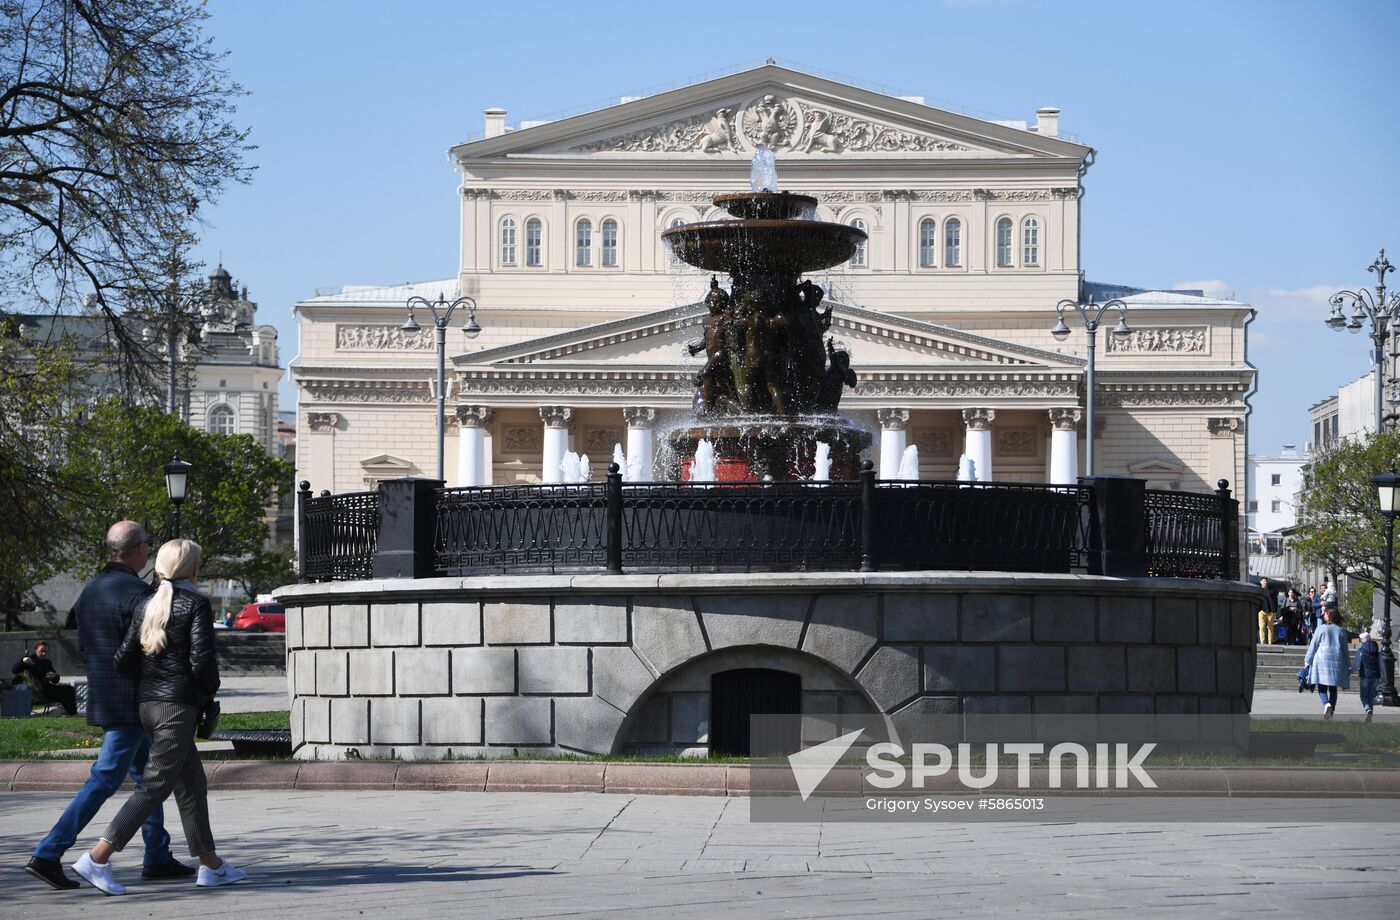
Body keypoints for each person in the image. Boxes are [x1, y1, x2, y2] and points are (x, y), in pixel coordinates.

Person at [25, 522, 193, 890]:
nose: (148, 550)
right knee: (105, 778)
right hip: (134, 702)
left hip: (105, 695)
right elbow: (150, 648)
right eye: (147, 544)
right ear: (137, 551)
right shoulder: (137, 592)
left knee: (149, 779)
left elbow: (84, 646)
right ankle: (48, 853)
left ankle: (158, 856)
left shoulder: (90, 590)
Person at [72, 539, 245, 895]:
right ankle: (97, 857)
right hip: (176, 709)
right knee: (154, 786)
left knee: (192, 783)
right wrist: (208, 692)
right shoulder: (195, 603)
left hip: (149, 707)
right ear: (193, 569)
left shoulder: (148, 603)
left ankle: (211, 865)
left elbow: (123, 660)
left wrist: (154, 676)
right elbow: (202, 661)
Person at [1303, 605, 1352, 719]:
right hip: (1337, 660)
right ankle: (1332, 711)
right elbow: (1345, 650)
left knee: (1322, 687)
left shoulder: (1321, 629)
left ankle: (1327, 704)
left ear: (1329, 615)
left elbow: (1313, 646)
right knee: (1333, 688)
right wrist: (1348, 665)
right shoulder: (1341, 631)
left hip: (1322, 660)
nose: (1323, 614)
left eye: (1325, 613)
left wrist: (1307, 661)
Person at [11, 641, 78, 715]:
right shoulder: (28, 660)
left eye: (46, 651)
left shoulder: (47, 662)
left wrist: (55, 676)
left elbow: (55, 680)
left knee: (69, 689)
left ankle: (72, 713)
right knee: (64, 692)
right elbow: (14, 670)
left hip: (45, 689)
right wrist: (22, 661)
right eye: (42, 651)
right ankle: (70, 713)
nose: (44, 654)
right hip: (32, 690)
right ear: (36, 650)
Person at [1356, 630, 1381, 722]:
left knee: (1363, 696)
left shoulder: (1361, 650)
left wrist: (1351, 671)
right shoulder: (1377, 651)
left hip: (1365, 676)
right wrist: (1384, 676)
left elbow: (1357, 664)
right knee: (1371, 696)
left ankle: (1367, 709)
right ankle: (1370, 716)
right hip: (1375, 676)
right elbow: (1381, 665)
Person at [1257, 577, 1278, 645]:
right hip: (1261, 611)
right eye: (1263, 581)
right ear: (1261, 582)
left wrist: (1275, 611)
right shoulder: (1259, 591)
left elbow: (1275, 601)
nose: (1265, 583)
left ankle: (1270, 643)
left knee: (1270, 628)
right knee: (1262, 627)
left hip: (1270, 611)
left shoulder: (1271, 591)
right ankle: (1262, 643)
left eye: (1265, 581)